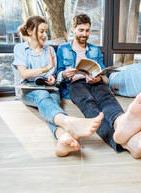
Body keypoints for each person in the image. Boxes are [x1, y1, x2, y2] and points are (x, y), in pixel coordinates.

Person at [56, 14, 141, 159]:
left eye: (87, 30)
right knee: (89, 104)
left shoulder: (94, 50)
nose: (85, 34)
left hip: (94, 82)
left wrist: (99, 77)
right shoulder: (63, 49)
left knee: (107, 97)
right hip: (75, 84)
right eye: (81, 30)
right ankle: (126, 142)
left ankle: (120, 122)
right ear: (73, 29)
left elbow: (104, 74)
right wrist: (65, 74)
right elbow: (58, 73)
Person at [12, 16, 103, 157]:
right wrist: (45, 68)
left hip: (50, 88)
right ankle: (68, 122)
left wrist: (52, 78)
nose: (44, 35)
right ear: (30, 31)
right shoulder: (20, 48)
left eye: (46, 32)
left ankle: (63, 138)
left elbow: (53, 74)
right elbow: (24, 73)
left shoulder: (50, 50)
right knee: (42, 95)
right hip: (29, 89)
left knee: (53, 107)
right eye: (41, 31)